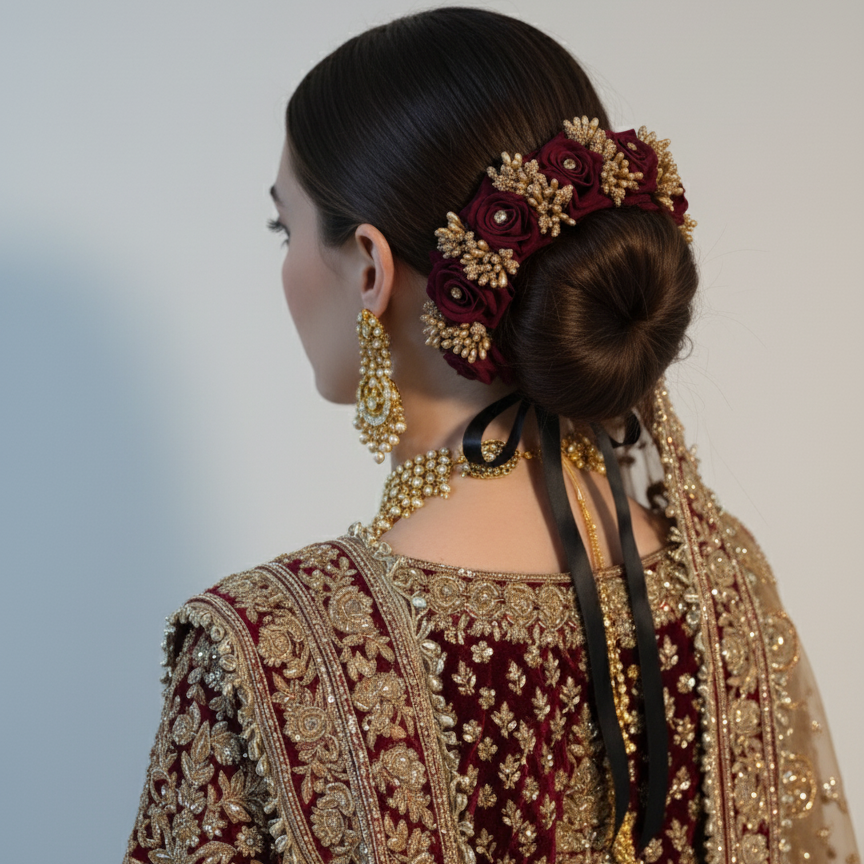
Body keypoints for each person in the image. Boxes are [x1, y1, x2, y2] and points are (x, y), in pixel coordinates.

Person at [122, 8, 858, 863]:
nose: (283, 266)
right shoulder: (723, 580)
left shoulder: (264, 656)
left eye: (285, 228)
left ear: (368, 265)